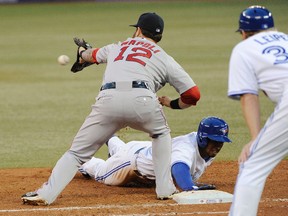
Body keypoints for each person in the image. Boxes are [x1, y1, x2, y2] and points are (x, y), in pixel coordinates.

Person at [21, 12, 201, 205]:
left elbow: (92, 55)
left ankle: (46, 194)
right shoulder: (165, 58)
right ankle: (165, 189)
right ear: (159, 36)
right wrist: (172, 104)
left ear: (138, 30)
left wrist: (82, 54)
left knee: (76, 153)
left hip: (108, 101)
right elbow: (193, 95)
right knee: (161, 134)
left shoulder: (117, 47)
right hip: (143, 102)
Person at [227, 5, 288, 216]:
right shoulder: (285, 38)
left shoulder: (244, 48)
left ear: (243, 33)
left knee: (252, 165)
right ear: (273, 28)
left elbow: (248, 96)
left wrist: (255, 138)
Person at [79, 116, 232, 191]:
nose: (218, 146)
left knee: (121, 151)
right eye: (215, 141)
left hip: (144, 151)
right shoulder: (185, 149)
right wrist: (191, 188)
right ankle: (82, 161)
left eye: (221, 141)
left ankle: (110, 137)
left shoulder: (205, 149)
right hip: (130, 164)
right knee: (101, 173)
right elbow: (179, 169)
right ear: (203, 139)